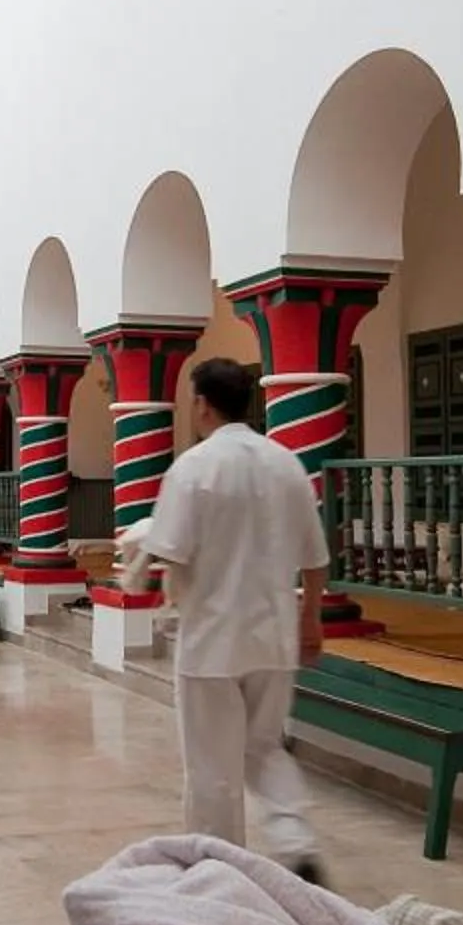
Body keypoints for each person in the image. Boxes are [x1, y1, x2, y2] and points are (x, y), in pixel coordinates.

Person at [135, 355, 332, 884]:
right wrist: (311, 619)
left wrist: (147, 568)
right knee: (265, 747)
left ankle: (218, 874)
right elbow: (316, 558)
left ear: (201, 403)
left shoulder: (194, 469)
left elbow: (171, 551)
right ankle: (295, 843)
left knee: (211, 767)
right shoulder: (285, 464)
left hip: (211, 643)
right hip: (272, 637)